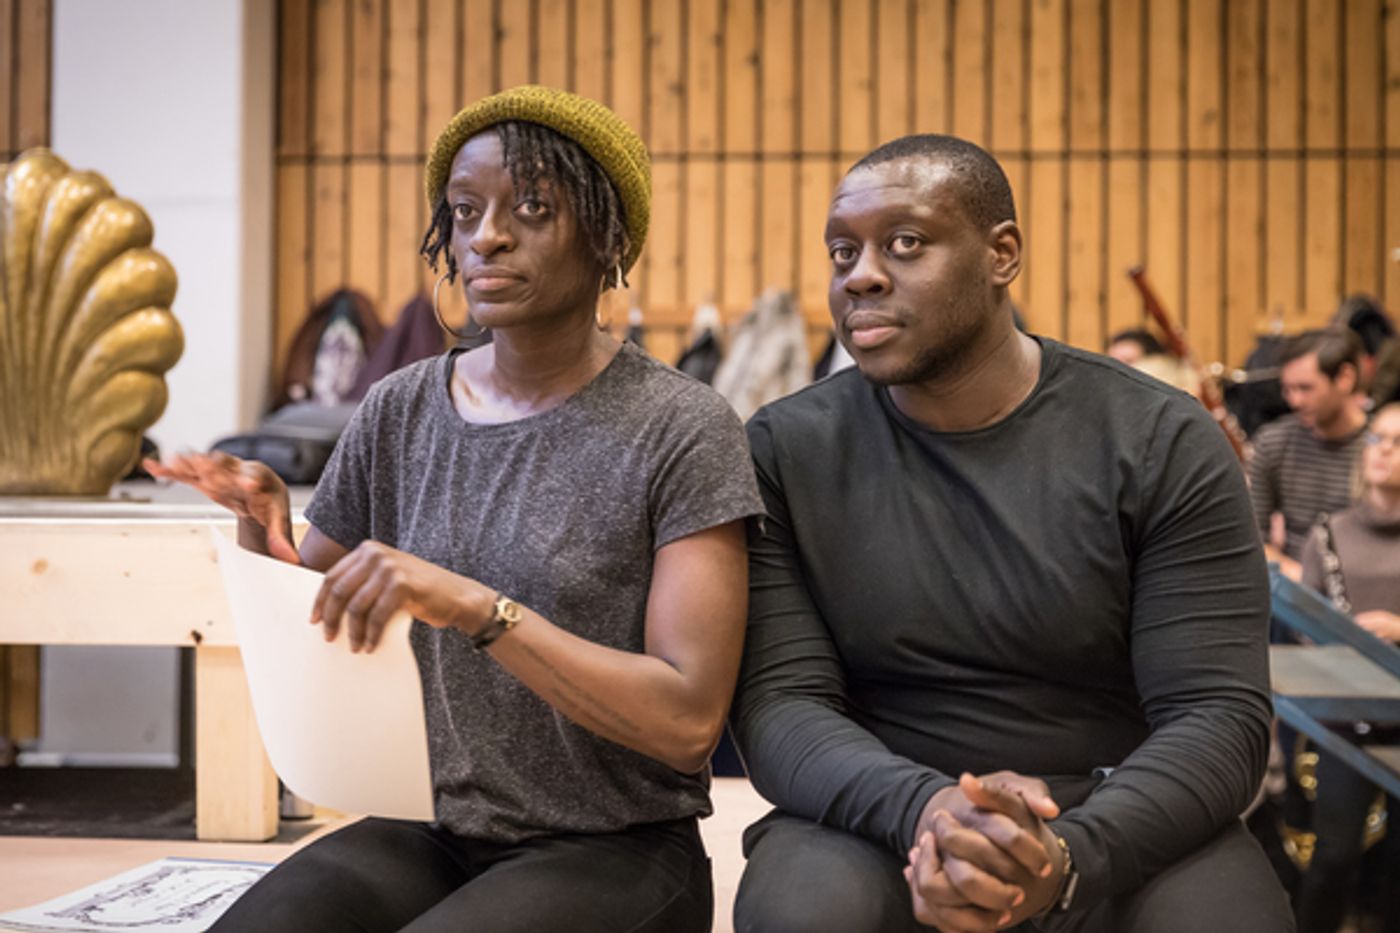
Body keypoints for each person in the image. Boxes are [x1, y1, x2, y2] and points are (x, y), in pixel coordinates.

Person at [147, 85, 762, 933]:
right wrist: (267, 530)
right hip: (429, 825)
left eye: (533, 208)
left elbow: (688, 719)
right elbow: (325, 616)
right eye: (465, 211)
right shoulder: (399, 408)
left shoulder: (684, 428)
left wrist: (476, 606)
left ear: (608, 236)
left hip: (614, 846)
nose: (487, 235)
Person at [729, 134, 1292, 932]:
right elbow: (781, 707)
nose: (861, 274)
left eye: (905, 243)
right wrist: (929, 811)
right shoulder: (784, 448)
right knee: (807, 911)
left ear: (1002, 254)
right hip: (880, 809)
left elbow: (1217, 716)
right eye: (842, 251)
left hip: (1122, 805)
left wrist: (1066, 854)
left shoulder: (1159, 438)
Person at [1294, 402, 1400, 933]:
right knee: (1331, 860)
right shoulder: (1328, 532)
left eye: (1397, 442)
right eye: (1377, 439)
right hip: (1343, 722)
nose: (1384, 451)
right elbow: (1302, 627)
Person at [1249, 328, 1370, 581]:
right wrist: (1305, 579)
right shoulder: (1273, 441)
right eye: (1287, 389)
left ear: (1345, 378)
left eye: (1306, 388)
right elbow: (1253, 539)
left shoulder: (1380, 447)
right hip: (1296, 585)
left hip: (1364, 580)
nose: (1295, 400)